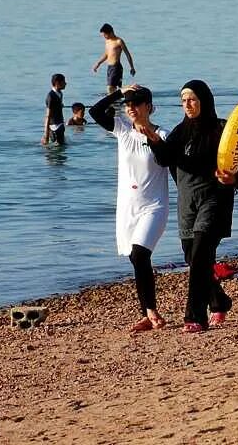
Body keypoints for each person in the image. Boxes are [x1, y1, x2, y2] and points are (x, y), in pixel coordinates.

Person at [144, 80, 238, 333]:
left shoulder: (223, 129)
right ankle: (219, 301)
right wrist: (152, 137)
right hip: (187, 202)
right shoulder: (180, 132)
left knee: (199, 255)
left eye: (192, 99)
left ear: (204, 101)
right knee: (192, 256)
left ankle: (195, 317)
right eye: (183, 100)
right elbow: (164, 159)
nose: (187, 104)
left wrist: (235, 179)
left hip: (215, 199)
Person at [88, 85, 169, 333]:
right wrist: (118, 92)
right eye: (128, 103)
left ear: (149, 106)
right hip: (127, 207)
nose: (131, 107)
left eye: (136, 103)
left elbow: (166, 158)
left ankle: (151, 311)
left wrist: (152, 139)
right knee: (136, 259)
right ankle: (148, 313)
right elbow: (95, 112)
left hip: (154, 206)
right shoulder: (122, 129)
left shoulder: (163, 134)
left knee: (140, 254)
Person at [92, 23, 137, 95]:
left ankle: (129, 90)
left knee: (110, 88)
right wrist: (98, 63)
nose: (104, 37)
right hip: (109, 68)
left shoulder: (119, 41)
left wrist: (132, 67)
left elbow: (127, 54)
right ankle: (118, 102)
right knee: (114, 89)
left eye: (105, 35)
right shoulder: (107, 41)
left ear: (111, 32)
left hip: (116, 67)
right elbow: (106, 54)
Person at [41, 73, 66, 146]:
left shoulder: (60, 93)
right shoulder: (51, 96)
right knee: (58, 147)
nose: (66, 83)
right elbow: (48, 116)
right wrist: (46, 134)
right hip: (54, 126)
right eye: (64, 82)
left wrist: (60, 105)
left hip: (60, 123)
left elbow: (58, 104)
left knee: (62, 147)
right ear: (57, 83)